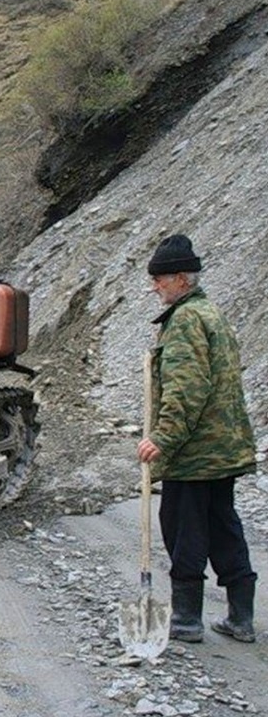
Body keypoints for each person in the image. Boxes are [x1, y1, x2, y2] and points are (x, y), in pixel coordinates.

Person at [137, 234, 258, 643]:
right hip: (223, 447)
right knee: (223, 523)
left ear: (182, 280)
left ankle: (187, 620)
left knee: (183, 527)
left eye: (160, 279)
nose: (154, 286)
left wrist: (163, 438)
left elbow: (187, 388)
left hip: (195, 452)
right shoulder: (210, 312)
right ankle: (241, 618)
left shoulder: (186, 320)